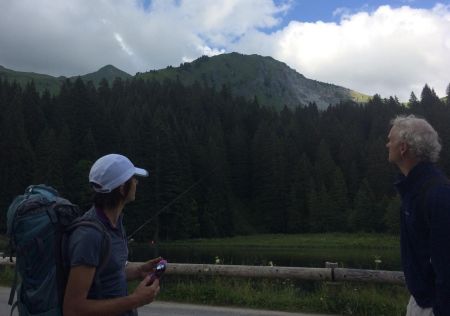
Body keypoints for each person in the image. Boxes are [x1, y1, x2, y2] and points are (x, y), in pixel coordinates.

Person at [63, 153, 161, 316]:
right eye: (133, 178)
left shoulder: (114, 224)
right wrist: (135, 300)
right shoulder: (89, 235)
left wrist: (138, 271)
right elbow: (73, 309)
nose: (136, 182)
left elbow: (104, 274)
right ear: (122, 188)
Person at [387, 115, 450, 316]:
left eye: (391, 140)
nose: (387, 144)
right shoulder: (414, 190)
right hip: (420, 301)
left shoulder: (437, 194)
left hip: (434, 307)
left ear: (403, 148)